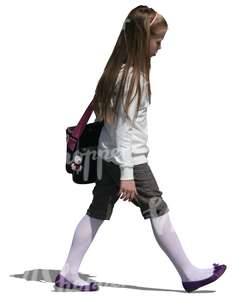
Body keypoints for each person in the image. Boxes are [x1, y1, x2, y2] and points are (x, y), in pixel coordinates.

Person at [54, 5, 227, 292]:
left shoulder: (115, 71)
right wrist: (127, 174)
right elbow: (124, 129)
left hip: (109, 155)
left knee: (97, 210)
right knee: (157, 207)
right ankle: (189, 273)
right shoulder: (133, 77)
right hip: (127, 160)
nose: (160, 47)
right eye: (157, 41)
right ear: (141, 40)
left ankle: (69, 272)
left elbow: (108, 120)